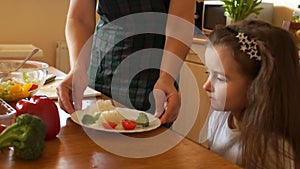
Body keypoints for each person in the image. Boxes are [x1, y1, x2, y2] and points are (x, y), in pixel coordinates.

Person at [56, 0, 195, 124]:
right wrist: (78, 69)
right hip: (102, 70)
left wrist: (167, 77)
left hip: (155, 78)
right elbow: (80, 18)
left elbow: (180, 23)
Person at [202, 19, 300, 169]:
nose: (206, 86)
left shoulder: (273, 151)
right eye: (208, 73)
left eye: (220, 78)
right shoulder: (219, 118)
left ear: (258, 85)